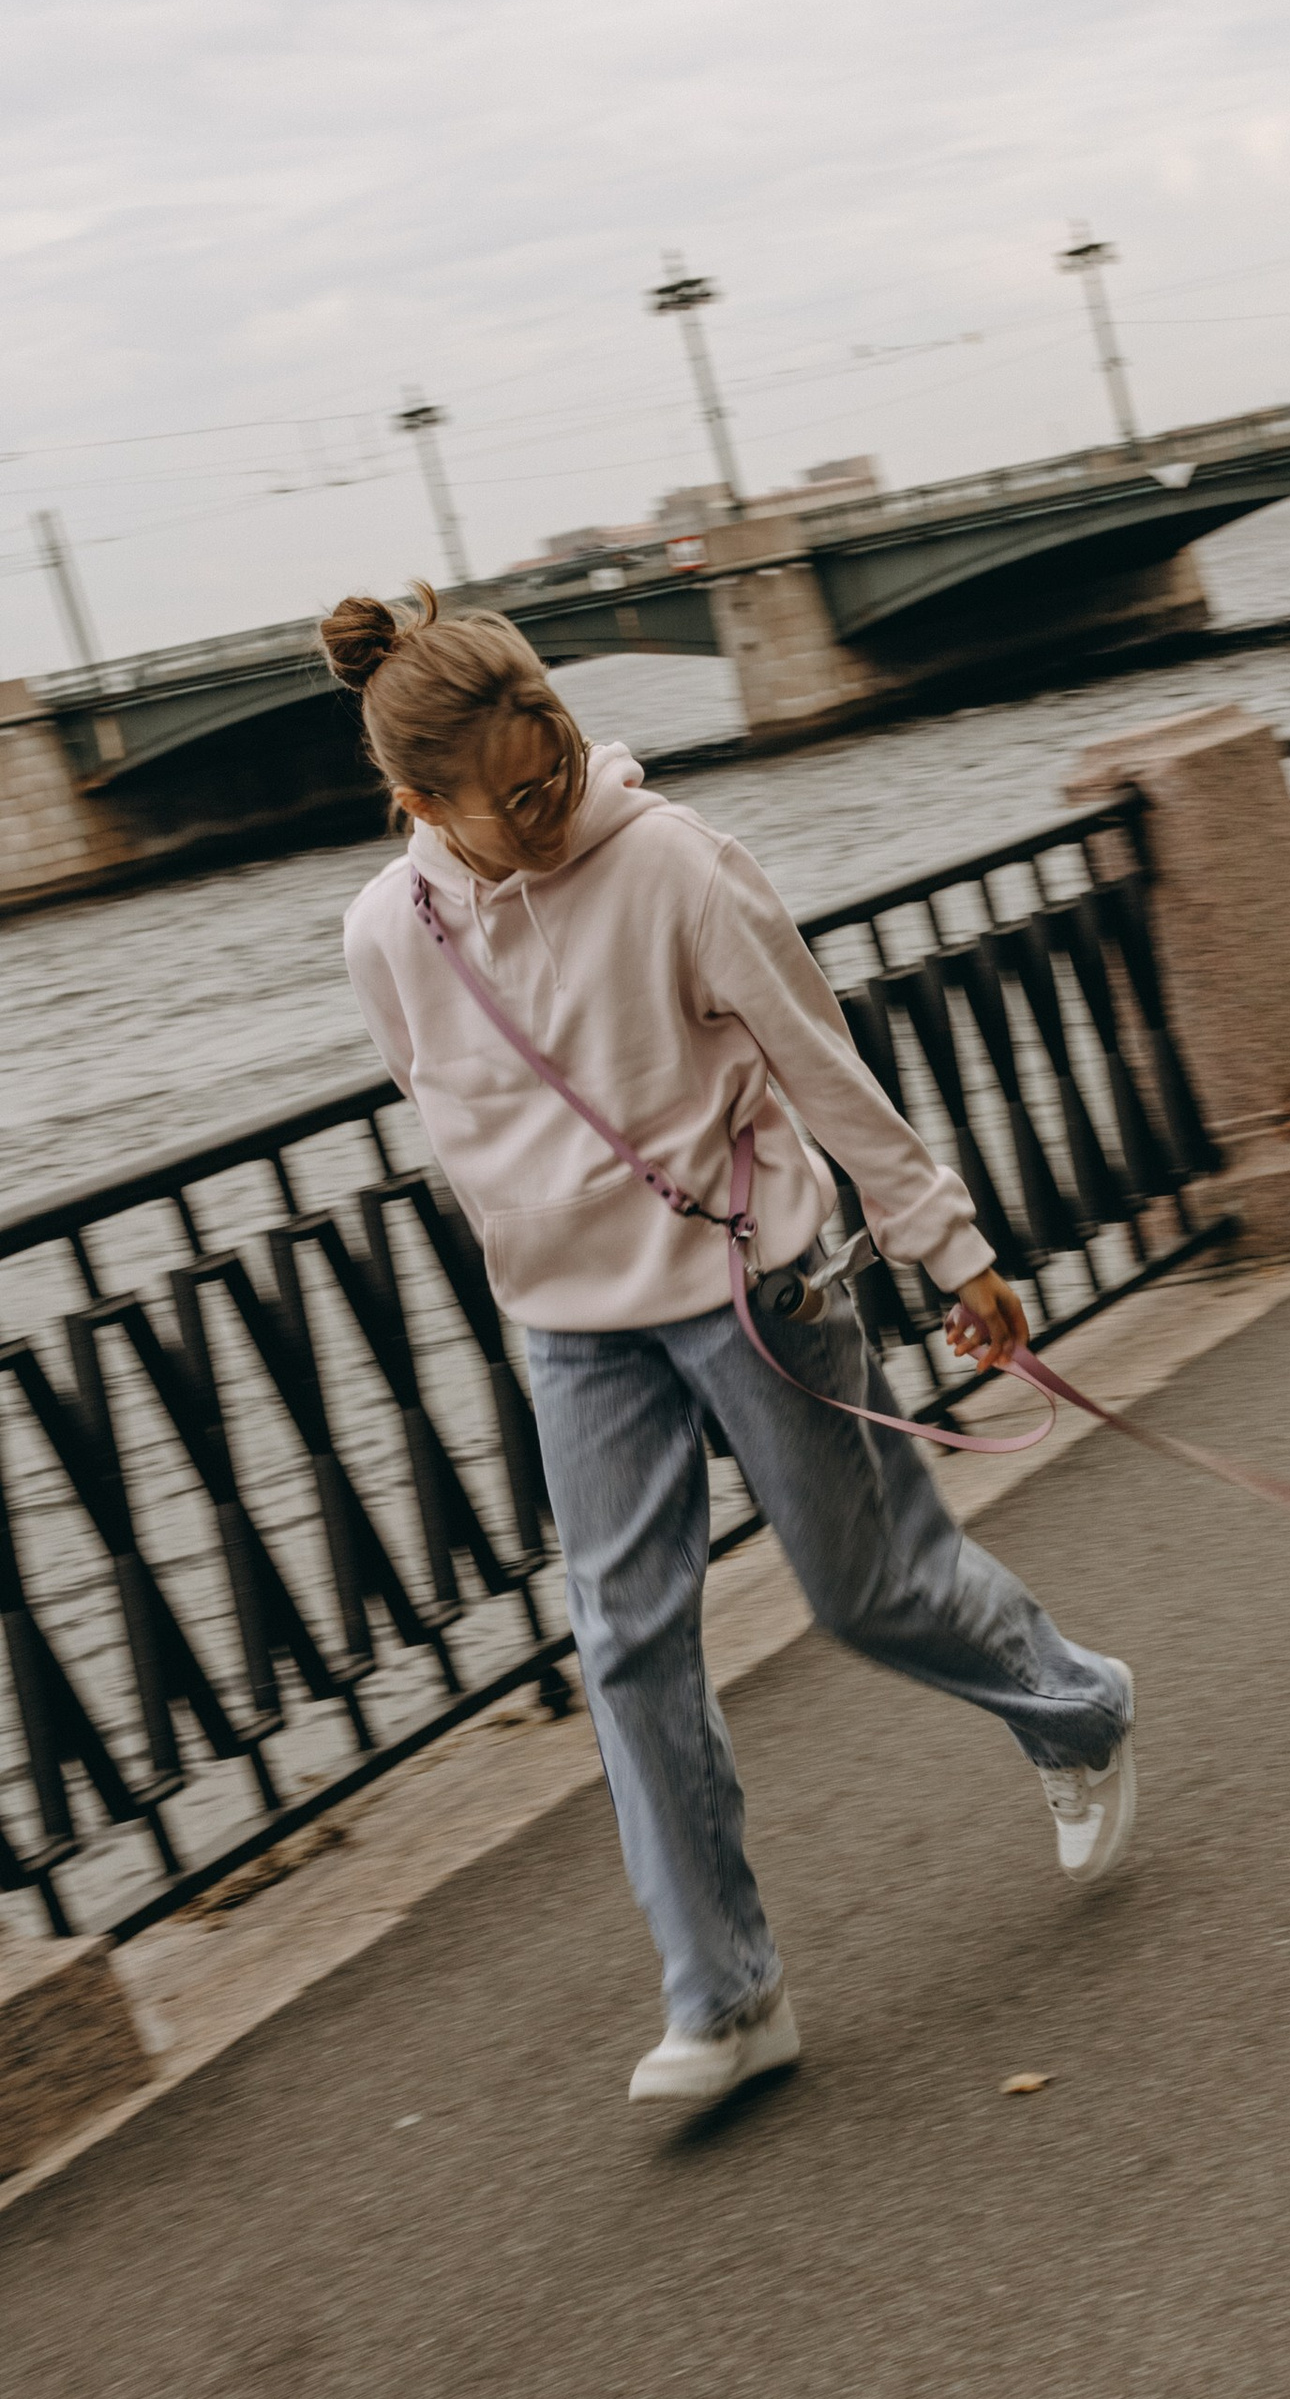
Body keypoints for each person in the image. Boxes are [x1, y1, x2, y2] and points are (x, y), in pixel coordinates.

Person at [326, 582, 1136, 2114]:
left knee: (867, 1589)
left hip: (756, 1284)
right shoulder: (387, 935)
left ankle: (1078, 1706)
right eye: (511, 800)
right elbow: (444, 1115)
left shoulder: (676, 868)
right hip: (574, 1329)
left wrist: (948, 1248)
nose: (551, 804)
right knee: (626, 1649)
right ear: (419, 806)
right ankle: (726, 1994)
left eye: (556, 759)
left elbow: (818, 1066)